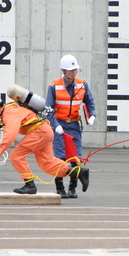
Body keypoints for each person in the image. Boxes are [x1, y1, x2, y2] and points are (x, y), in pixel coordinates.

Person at [0, 91, 89, 195]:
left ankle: (30, 185)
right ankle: (78, 172)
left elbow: (11, 134)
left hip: (40, 132)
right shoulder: (10, 109)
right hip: (44, 130)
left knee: (16, 156)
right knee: (46, 163)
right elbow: (8, 131)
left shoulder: (9, 113)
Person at [46, 54, 96, 198]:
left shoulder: (82, 84)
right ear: (63, 70)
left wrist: (91, 115)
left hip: (74, 124)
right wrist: (55, 125)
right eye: (70, 70)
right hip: (59, 125)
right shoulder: (54, 86)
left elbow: (90, 102)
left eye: (75, 69)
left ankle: (72, 188)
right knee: (60, 157)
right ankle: (59, 187)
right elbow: (48, 109)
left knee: (75, 157)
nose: (73, 72)